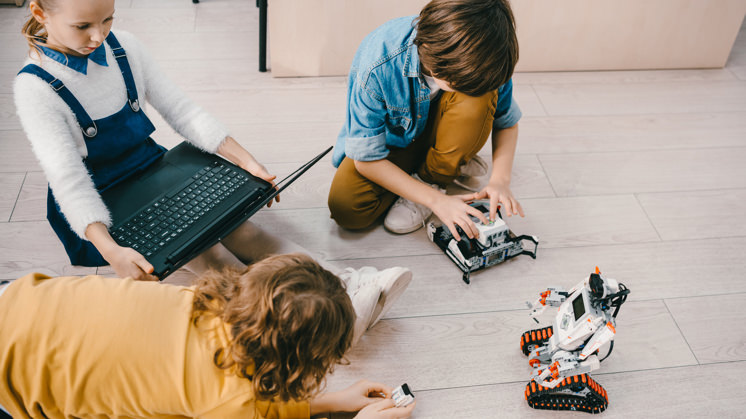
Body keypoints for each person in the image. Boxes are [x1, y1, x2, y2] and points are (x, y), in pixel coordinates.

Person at [14, 0, 412, 340]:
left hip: (154, 170)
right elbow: (68, 179)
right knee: (211, 256)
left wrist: (246, 161)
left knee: (243, 228)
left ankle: (346, 284)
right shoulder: (35, 87)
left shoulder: (125, 48)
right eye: (82, 25)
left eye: (108, 18)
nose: (99, 36)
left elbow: (183, 111)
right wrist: (112, 250)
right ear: (39, 12)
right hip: (101, 208)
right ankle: (318, 322)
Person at [0, 254, 417, 419]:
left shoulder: (203, 300)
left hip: (18, 295)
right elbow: (238, 403)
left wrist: (329, 402)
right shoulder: (226, 399)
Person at [328, 0, 525, 242]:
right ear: (437, 65)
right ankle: (447, 162)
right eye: (459, 86)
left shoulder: (487, 56)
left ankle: (438, 173)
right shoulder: (378, 62)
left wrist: (500, 181)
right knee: (346, 209)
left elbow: (506, 121)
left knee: (478, 98)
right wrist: (437, 201)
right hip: (394, 139)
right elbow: (366, 160)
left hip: (448, 123)